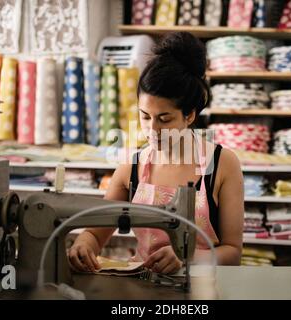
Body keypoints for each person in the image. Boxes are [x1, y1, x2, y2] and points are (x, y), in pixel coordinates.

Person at [69, 32, 244, 275]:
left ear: (190, 115)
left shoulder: (222, 164)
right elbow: (95, 234)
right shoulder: (131, 169)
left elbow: (233, 253)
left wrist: (188, 257)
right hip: (144, 284)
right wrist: (84, 243)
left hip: (204, 285)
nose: (152, 130)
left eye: (164, 119)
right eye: (144, 116)